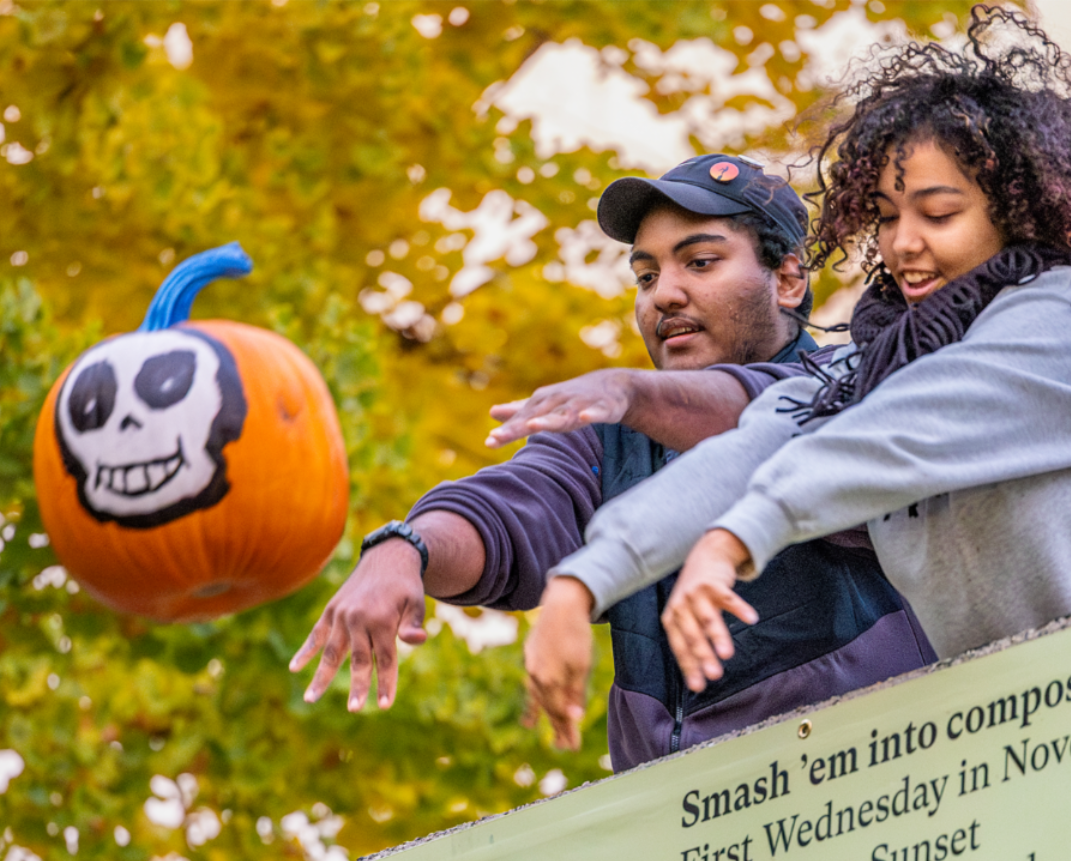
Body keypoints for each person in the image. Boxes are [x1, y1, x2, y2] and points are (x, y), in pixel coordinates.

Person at [538, 6, 1071, 697]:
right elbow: (744, 456)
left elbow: (900, 431)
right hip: (1060, 731)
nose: (902, 243)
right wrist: (584, 580)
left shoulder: (1068, 323)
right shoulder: (864, 375)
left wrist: (734, 538)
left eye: (937, 214)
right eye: (884, 216)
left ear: (1013, 210)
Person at [290, 154, 934, 771]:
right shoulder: (612, 437)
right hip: (686, 822)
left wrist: (630, 393)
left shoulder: (861, 385)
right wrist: (404, 549)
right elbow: (514, 508)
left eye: (700, 262)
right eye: (646, 276)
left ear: (788, 281)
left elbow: (765, 426)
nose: (664, 296)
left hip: (884, 784)